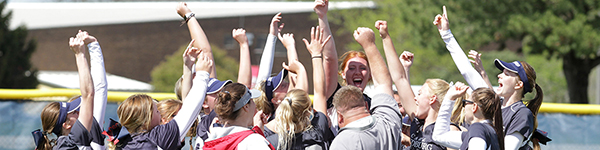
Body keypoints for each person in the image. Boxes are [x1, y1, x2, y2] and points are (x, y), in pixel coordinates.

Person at [433, 6, 545, 150]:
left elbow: (508, 148)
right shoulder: (494, 103)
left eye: (506, 73)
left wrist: (479, 135)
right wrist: (446, 35)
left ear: (518, 85)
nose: (499, 75)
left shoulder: (521, 113)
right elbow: (467, 71)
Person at [115, 45, 212, 149]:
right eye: (157, 111)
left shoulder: (124, 142)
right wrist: (202, 74)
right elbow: (190, 109)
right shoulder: (156, 138)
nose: (160, 116)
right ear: (146, 120)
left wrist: (188, 66)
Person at [329, 27, 402, 150]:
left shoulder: (342, 143)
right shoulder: (387, 122)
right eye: (351, 68)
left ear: (339, 117)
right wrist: (369, 44)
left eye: (362, 68)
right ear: (367, 107)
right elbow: (383, 83)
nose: (357, 72)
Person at [262, 26, 334, 150]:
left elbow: (299, 91)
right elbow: (319, 93)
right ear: (307, 111)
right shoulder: (317, 130)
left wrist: (291, 49)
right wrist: (316, 55)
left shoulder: (268, 138)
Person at [32, 32, 96, 150]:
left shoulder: (64, 145)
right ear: (66, 125)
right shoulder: (69, 144)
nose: (79, 112)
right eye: (73, 113)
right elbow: (88, 94)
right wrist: (79, 54)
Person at [432, 83, 504, 150]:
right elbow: (439, 136)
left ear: (474, 107)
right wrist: (449, 98)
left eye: (465, 103)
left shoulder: (477, 128)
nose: (464, 108)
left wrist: (449, 98)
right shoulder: (489, 131)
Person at [203, 83, 274, 150]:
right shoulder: (254, 142)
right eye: (252, 100)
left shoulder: (212, 139)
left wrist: (258, 130)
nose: (255, 105)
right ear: (246, 107)